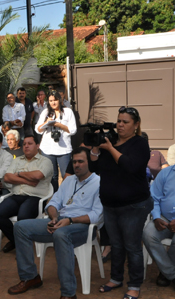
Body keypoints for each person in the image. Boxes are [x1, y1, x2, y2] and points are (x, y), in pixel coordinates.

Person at [7, 147, 103, 298]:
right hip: (59, 222)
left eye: (81, 161)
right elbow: (52, 203)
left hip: (81, 227)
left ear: (89, 162)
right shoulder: (69, 180)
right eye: (74, 161)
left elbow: (97, 215)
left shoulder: (99, 183)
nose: (77, 165)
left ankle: (68, 293)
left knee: (61, 234)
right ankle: (30, 277)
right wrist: (54, 217)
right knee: (20, 227)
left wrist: (70, 220)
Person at [90, 106, 153, 299]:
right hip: (110, 205)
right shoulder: (111, 141)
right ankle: (116, 279)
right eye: (119, 121)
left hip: (134, 205)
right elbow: (95, 167)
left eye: (125, 122)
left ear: (136, 125)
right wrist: (95, 147)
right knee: (116, 245)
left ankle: (134, 285)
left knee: (132, 246)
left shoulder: (139, 144)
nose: (120, 125)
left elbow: (130, 166)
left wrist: (110, 148)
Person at [0, 135, 53, 253]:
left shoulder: (45, 161)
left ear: (37, 145)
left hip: (35, 198)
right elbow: (7, 177)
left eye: (30, 143)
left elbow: (38, 176)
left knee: (23, 218)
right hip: (16, 196)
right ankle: (16, 241)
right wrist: (27, 179)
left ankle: (22, 248)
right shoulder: (17, 160)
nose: (26, 146)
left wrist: (19, 173)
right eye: (24, 144)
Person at [35, 90, 77, 192]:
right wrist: (46, 123)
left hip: (64, 149)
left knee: (66, 176)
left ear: (60, 100)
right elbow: (38, 129)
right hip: (47, 148)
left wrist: (60, 125)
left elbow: (73, 130)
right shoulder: (45, 112)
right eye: (50, 101)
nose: (53, 103)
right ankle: (54, 199)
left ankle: (67, 199)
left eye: (55, 100)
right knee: (52, 177)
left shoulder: (68, 111)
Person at [142, 165, 175, 288]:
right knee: (148, 234)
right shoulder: (165, 173)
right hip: (163, 218)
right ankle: (171, 273)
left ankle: (165, 273)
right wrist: (156, 217)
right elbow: (153, 197)